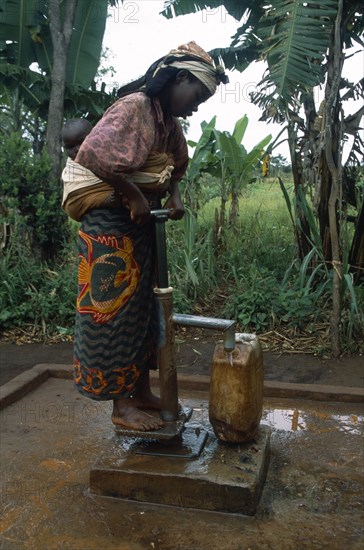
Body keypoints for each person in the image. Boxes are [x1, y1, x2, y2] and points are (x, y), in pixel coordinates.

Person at [72, 41, 228, 431]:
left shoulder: (168, 122)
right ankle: (121, 409)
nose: (197, 106)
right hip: (108, 228)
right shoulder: (136, 107)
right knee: (113, 312)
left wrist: (173, 197)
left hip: (140, 228)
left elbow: (176, 166)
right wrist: (135, 195)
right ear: (179, 79)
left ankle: (140, 393)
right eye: (197, 95)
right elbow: (92, 153)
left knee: (143, 315)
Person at [61, 119, 120, 221]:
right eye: (70, 147)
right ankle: (104, 199)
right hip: (79, 201)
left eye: (82, 141)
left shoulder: (108, 150)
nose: (77, 149)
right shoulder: (73, 167)